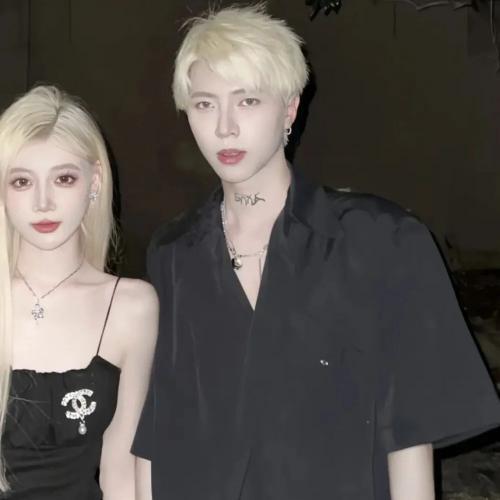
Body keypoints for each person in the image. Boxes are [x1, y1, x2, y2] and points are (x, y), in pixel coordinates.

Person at [132, 5, 500, 500]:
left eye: (247, 101)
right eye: (204, 104)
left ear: (289, 109)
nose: (224, 127)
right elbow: (161, 423)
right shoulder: (174, 252)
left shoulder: (381, 240)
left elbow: (409, 430)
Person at [0, 85, 158, 499]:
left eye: (64, 178)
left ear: (95, 181)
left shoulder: (131, 307)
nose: (43, 202)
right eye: (21, 181)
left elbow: (121, 475)